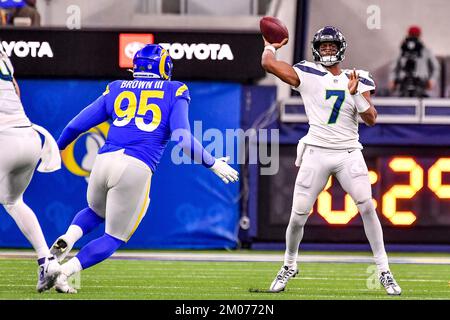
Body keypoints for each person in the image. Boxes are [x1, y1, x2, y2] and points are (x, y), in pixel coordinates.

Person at [45, 44, 239, 294]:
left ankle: (67, 239)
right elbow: (182, 137)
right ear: (164, 67)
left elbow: (75, 126)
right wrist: (212, 163)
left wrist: (54, 149)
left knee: (95, 210)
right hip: (135, 166)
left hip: (103, 160)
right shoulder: (175, 89)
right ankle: (62, 271)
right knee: (114, 237)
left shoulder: (116, 87)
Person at [261, 26, 401, 296]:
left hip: (348, 151)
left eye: (331, 46)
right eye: (323, 46)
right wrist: (271, 45)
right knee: (298, 215)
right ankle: (289, 264)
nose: (327, 50)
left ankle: (384, 270)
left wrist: (357, 93)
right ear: (316, 49)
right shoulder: (306, 72)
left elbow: (371, 119)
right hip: (316, 150)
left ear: (340, 50)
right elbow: (268, 64)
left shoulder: (357, 77)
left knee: (367, 206)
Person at [0, 45, 61, 292]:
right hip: (29, 135)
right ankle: (46, 261)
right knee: (14, 202)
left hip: (5, 137)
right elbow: (15, 89)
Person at [388, 25, 440, 97]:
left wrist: (432, 80)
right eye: (412, 35)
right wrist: (392, 80)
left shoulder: (425, 51)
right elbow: (394, 67)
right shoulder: (402, 51)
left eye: (415, 35)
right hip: (403, 85)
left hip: (421, 85)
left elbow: (435, 67)